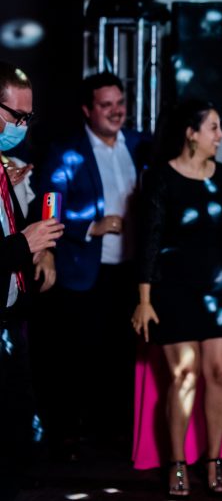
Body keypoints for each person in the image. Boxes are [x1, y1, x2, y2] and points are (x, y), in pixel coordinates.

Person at [131, 100, 222, 497]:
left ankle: (214, 462)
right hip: (171, 287)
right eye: (214, 128)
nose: (220, 135)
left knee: (219, 373)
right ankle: (177, 463)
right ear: (191, 133)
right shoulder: (160, 177)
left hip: (217, 286)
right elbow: (149, 239)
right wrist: (144, 299)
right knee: (183, 375)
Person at [33, 72, 150, 459]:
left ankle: (114, 430)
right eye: (106, 105)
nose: (116, 111)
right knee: (77, 355)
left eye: (120, 103)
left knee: (121, 353)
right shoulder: (67, 150)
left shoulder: (140, 144)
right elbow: (50, 203)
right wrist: (89, 226)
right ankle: (68, 433)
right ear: (87, 110)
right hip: (84, 269)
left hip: (130, 270)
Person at [0, 62, 62, 500]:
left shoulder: (5, 167)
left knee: (17, 427)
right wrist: (25, 244)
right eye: (16, 116)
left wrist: (39, 249)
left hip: (11, 315)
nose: (22, 127)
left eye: (28, 118)